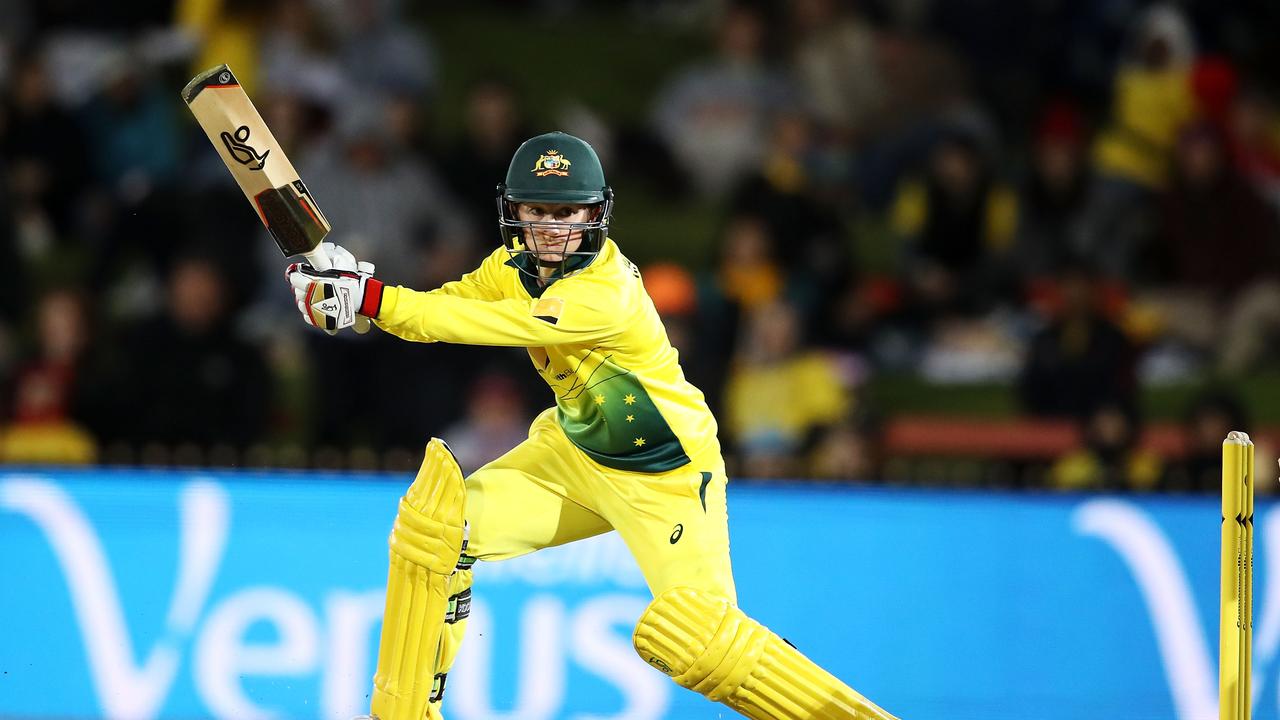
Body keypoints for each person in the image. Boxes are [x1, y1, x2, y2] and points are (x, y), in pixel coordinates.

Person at [286, 131, 896, 720]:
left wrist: (370, 299)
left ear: (594, 216)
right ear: (514, 211)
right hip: (573, 454)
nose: (551, 228)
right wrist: (351, 299)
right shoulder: (510, 266)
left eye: (566, 212)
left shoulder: (604, 294)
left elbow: (485, 326)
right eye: (536, 210)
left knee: (700, 639)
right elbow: (450, 305)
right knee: (437, 527)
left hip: (665, 475)